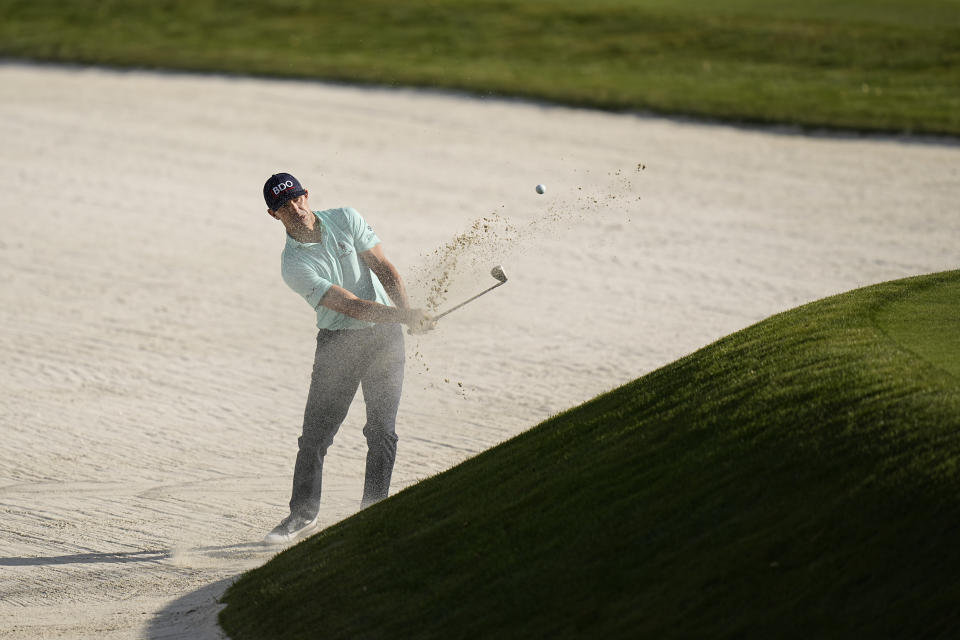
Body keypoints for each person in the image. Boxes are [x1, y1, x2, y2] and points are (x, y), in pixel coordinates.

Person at [261, 172, 434, 544]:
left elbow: (385, 268)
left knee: (382, 432)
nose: (294, 209)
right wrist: (406, 316)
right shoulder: (293, 265)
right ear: (273, 215)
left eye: (296, 199)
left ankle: (372, 513)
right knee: (315, 437)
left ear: (306, 196)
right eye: (283, 206)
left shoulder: (346, 218)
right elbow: (351, 306)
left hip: (385, 339)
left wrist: (405, 311)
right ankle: (302, 515)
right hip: (338, 344)